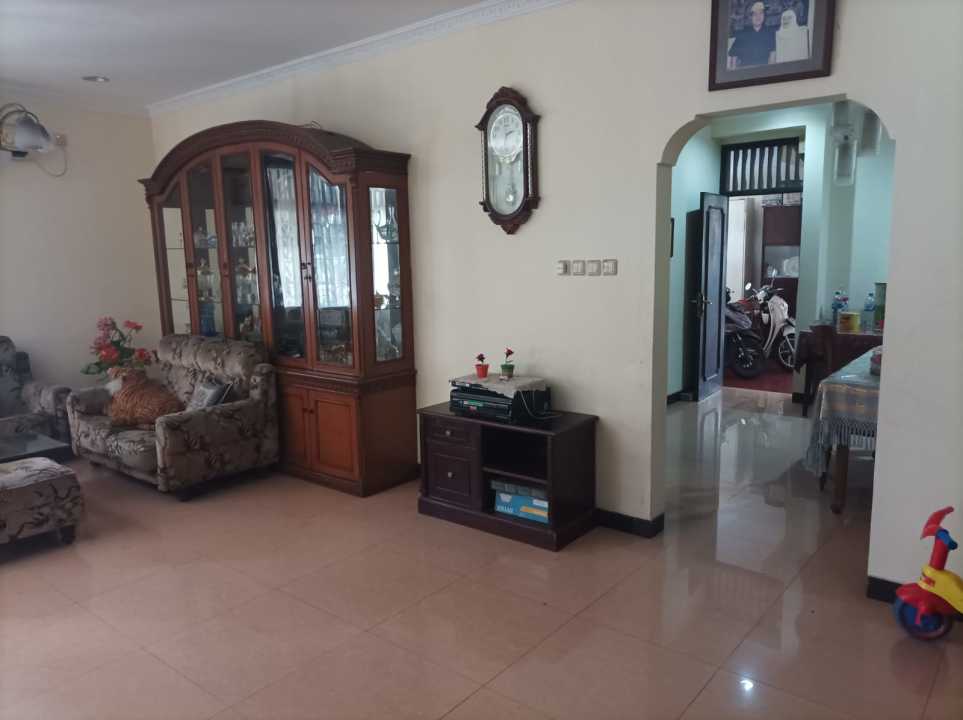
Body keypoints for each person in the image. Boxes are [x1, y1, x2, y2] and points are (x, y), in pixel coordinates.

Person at [727, 2, 776, 69]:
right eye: (755, 14)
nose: (758, 16)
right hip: (745, 70)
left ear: (764, 15)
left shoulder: (769, 33)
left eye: (761, 13)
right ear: (750, 17)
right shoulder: (742, 34)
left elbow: (772, 57)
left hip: (763, 70)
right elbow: (733, 57)